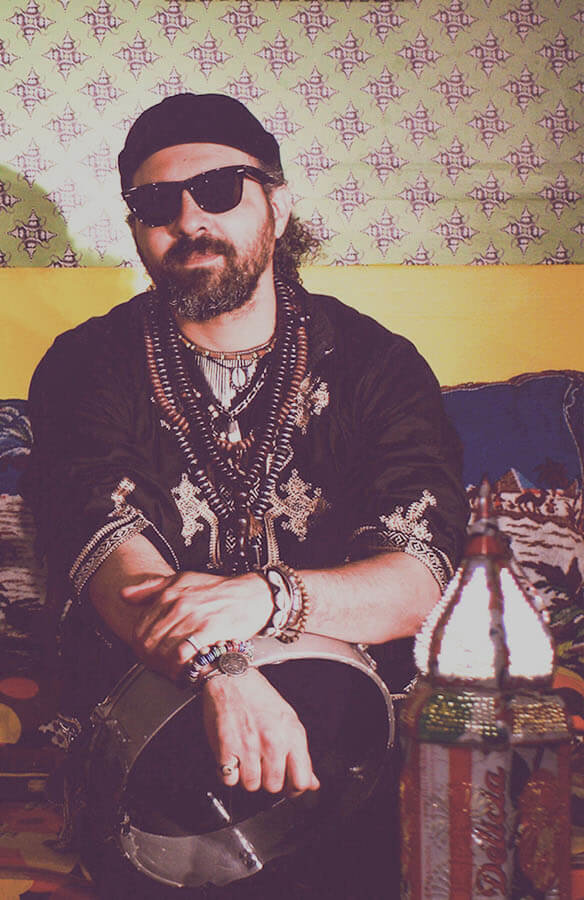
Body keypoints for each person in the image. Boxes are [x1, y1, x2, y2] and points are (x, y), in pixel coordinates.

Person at [25, 93, 468, 896]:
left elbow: (416, 579)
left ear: (278, 205)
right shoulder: (87, 365)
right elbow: (109, 555)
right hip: (145, 737)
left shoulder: (377, 365)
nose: (190, 220)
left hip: (353, 735)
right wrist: (223, 668)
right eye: (157, 204)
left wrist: (267, 597)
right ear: (136, 229)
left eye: (219, 190)